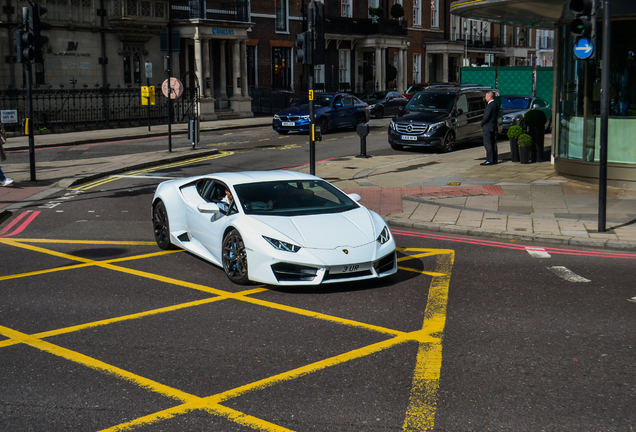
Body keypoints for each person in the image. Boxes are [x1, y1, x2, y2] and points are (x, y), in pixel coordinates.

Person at [480, 91, 499, 166]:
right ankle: (494, 159)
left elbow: (486, 117)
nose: (485, 98)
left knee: (488, 144)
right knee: (493, 143)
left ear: (489, 97)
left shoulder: (489, 105)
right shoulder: (496, 105)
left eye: (486, 96)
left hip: (488, 127)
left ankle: (489, 160)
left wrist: (482, 124)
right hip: (493, 126)